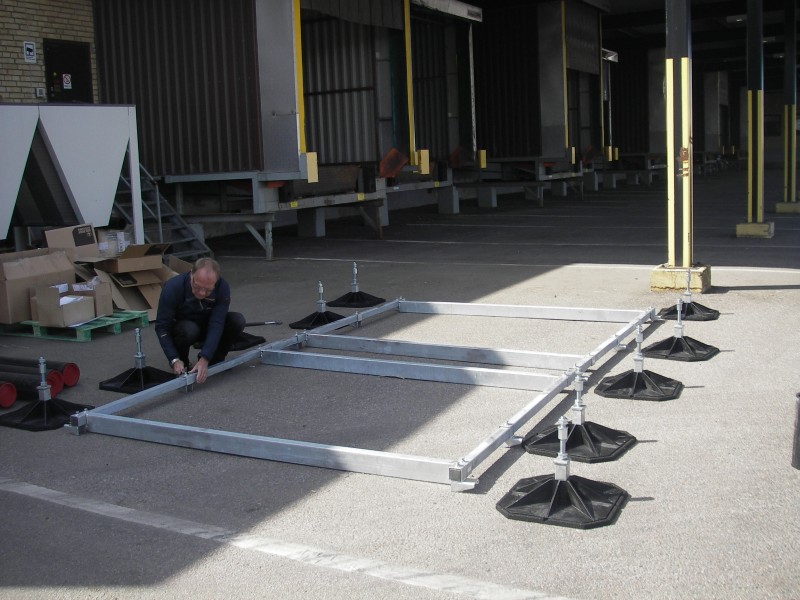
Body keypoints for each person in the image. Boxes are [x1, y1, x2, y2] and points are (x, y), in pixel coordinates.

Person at [155, 257, 245, 383]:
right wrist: (173, 358)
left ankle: (215, 360)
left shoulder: (222, 287)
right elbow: (162, 327)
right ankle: (183, 363)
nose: (202, 293)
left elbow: (217, 323)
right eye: (197, 287)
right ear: (191, 274)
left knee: (237, 320)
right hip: (184, 329)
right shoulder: (173, 287)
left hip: (206, 326)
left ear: (215, 282)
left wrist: (205, 357)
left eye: (208, 290)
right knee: (188, 330)